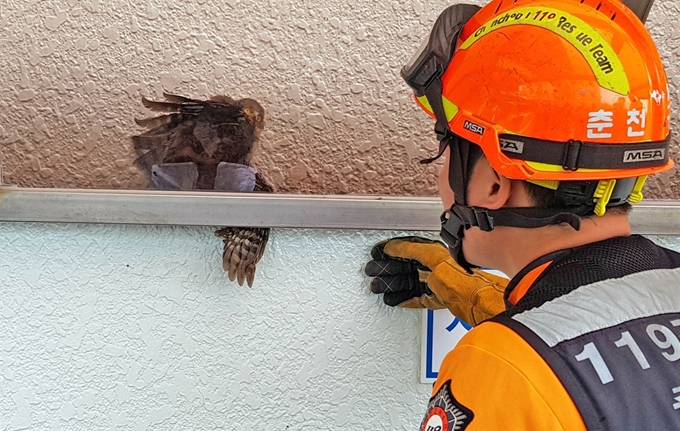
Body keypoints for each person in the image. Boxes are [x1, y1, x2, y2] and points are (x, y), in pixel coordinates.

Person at [365, 0, 680, 429]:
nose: (442, 179)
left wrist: (512, 350)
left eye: (446, 153)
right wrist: (517, 313)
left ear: (495, 183)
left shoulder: (497, 369)